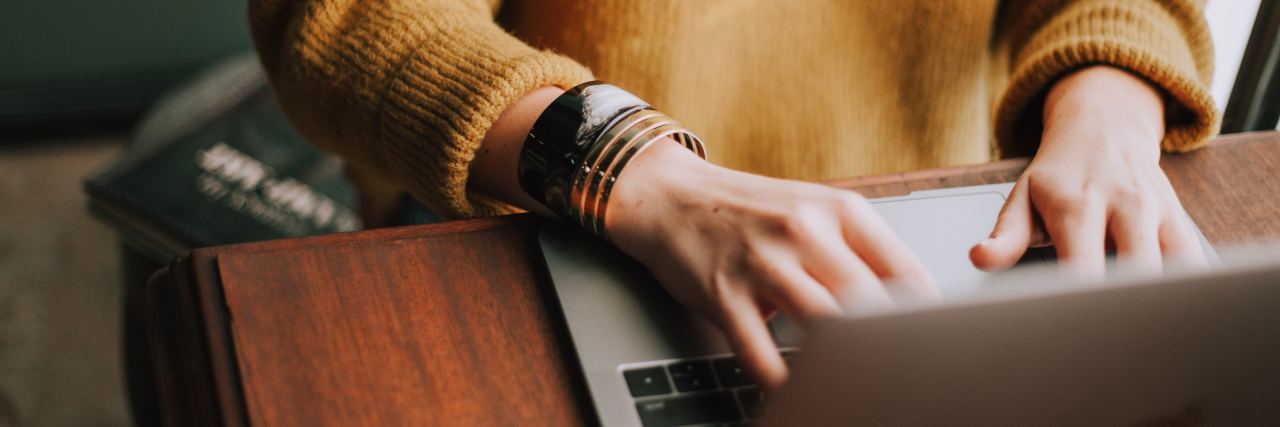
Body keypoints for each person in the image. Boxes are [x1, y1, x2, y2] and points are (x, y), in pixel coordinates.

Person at [249, 0, 1219, 387]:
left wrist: (1107, 102)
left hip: (927, 245)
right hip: (543, 223)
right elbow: (339, 19)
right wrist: (636, 170)